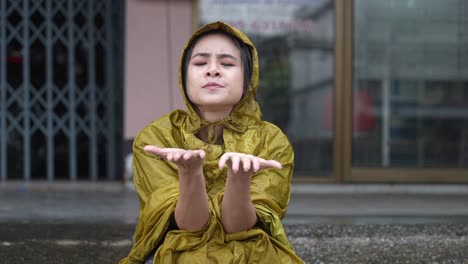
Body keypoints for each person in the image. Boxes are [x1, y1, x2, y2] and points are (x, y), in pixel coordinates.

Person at [120, 21, 304, 264]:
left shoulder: (271, 141)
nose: (213, 70)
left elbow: (237, 227)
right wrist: (190, 173)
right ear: (184, 76)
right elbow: (190, 228)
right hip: (181, 250)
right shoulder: (156, 138)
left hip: (254, 252)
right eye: (200, 63)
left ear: (248, 78)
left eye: (227, 64)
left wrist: (239, 177)